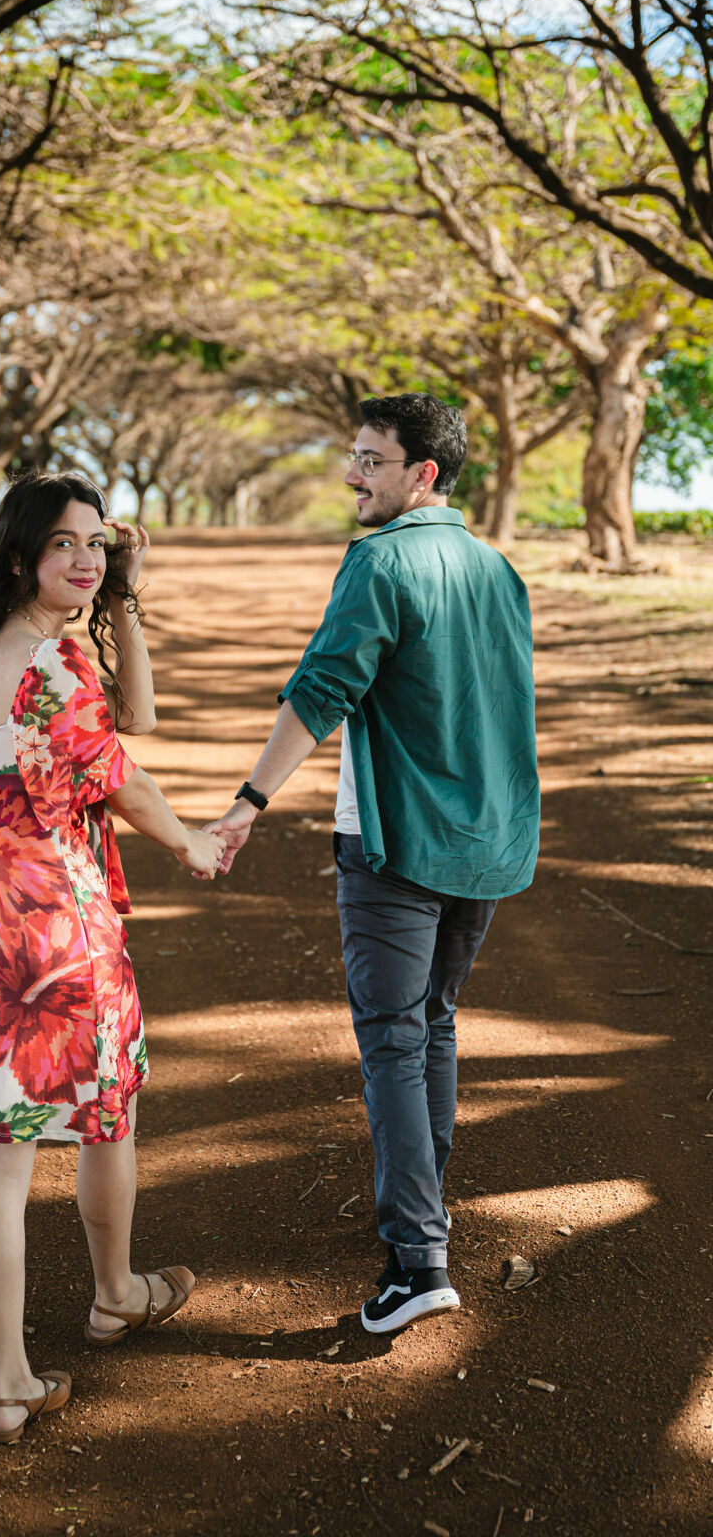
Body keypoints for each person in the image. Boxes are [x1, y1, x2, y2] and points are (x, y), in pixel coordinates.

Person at [0, 471, 223, 1444]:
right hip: (56, 935)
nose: (84, 559)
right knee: (103, 1112)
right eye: (65, 546)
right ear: (19, 558)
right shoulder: (55, 666)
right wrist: (191, 843)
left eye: (96, 544)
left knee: (4, 1164)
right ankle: (114, 1292)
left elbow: (135, 715)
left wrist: (118, 597)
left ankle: (13, 1382)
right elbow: (127, 772)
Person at [206, 393, 539, 1335]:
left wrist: (247, 803)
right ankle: (422, 1220)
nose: (352, 476)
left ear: (421, 474)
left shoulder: (380, 560)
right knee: (432, 1026)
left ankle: (418, 1261)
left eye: (370, 460)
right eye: (352, 457)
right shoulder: (497, 569)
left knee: (396, 1037)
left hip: (394, 842)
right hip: (482, 838)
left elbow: (323, 691)